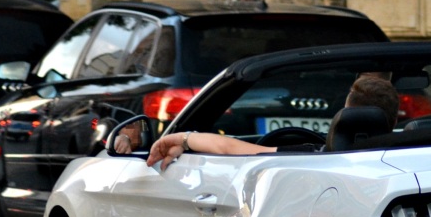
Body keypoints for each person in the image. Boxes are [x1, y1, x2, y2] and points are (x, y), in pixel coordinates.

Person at [142, 76, 400, 170]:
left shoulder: (317, 157)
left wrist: (182, 138)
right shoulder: (416, 151)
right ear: (394, 117)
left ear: (345, 113)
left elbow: (230, 149)